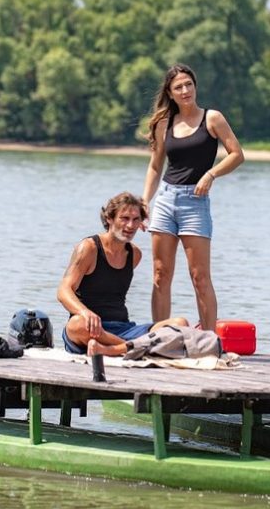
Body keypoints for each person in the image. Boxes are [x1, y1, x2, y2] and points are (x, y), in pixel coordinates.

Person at [141, 63, 244, 330]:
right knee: (160, 275)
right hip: (165, 199)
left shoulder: (212, 118)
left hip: (194, 203)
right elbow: (155, 166)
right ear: (170, 92)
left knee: (199, 277)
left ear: (195, 87)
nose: (185, 90)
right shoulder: (164, 123)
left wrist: (210, 175)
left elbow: (237, 154)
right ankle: (160, 337)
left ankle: (208, 340)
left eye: (189, 84)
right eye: (179, 87)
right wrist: (144, 201)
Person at [58, 192, 188, 354]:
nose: (130, 225)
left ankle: (116, 349)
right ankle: (137, 348)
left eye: (135, 220)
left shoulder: (135, 255)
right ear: (109, 219)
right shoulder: (89, 248)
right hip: (92, 328)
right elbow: (63, 291)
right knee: (76, 325)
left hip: (124, 329)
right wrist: (84, 312)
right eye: (124, 218)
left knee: (180, 324)